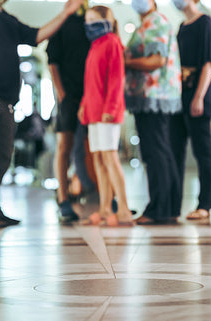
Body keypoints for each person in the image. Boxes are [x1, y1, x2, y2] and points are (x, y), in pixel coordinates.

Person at [0, 0, 84, 228]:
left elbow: (36, 36)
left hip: (6, 100)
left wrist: (66, 13)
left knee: (3, 155)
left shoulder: (6, 18)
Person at [125, 0, 182, 225]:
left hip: (154, 96)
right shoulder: (147, 23)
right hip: (152, 96)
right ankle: (168, 207)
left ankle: (159, 209)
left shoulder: (156, 22)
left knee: (155, 152)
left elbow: (156, 60)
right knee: (161, 152)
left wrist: (126, 61)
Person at [78, 5, 133, 226]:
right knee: (99, 158)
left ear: (106, 21)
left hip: (107, 111)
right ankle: (103, 209)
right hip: (93, 111)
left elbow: (116, 79)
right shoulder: (94, 45)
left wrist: (111, 107)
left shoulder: (112, 43)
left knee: (110, 157)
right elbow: (90, 81)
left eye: (94, 19)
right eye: (87, 20)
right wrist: (84, 104)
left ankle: (124, 209)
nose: (89, 24)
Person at [169, 0, 211, 221]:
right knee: (175, 150)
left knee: (203, 152)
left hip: (199, 94)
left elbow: (208, 64)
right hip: (181, 96)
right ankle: (172, 205)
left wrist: (198, 96)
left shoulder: (204, 22)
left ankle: (205, 205)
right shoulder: (182, 26)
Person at [46, 0, 93, 223]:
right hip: (69, 96)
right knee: (65, 145)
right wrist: (62, 93)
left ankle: (102, 196)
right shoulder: (63, 23)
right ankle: (63, 199)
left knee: (94, 148)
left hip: (92, 96)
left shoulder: (92, 22)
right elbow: (52, 61)